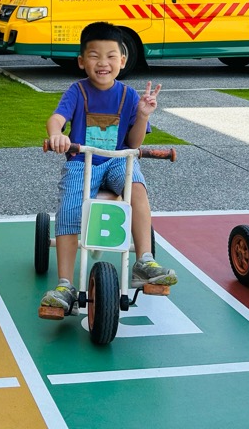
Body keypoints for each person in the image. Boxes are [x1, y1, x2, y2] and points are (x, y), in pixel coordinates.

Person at [40, 21, 174, 317]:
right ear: (81, 61)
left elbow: (134, 143)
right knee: (70, 209)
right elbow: (56, 118)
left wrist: (143, 115)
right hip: (82, 162)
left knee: (137, 189)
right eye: (94, 55)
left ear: (122, 61)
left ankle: (144, 260)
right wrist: (57, 134)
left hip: (116, 160)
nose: (103, 63)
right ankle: (65, 284)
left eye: (111, 56)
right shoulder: (77, 91)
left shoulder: (129, 95)